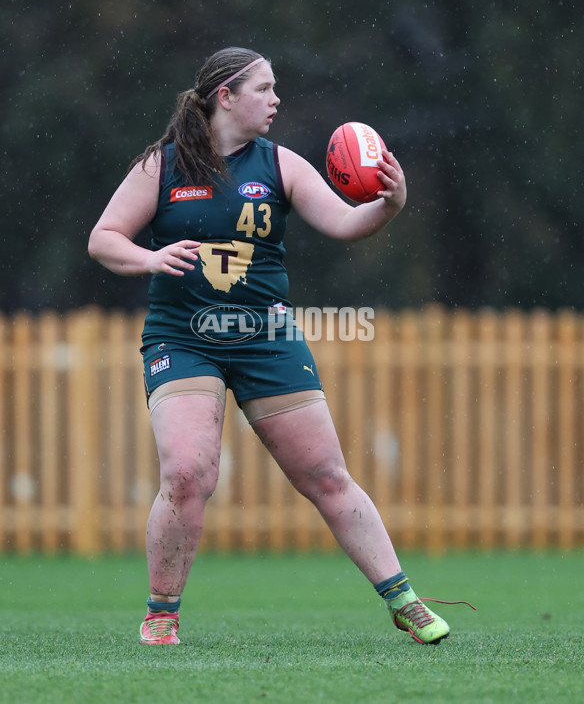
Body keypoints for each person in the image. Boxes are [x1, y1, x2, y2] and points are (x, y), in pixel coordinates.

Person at [88, 46, 453, 646]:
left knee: (325, 475)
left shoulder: (281, 164)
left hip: (267, 337)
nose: (277, 99)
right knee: (186, 473)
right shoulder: (163, 165)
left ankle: (405, 601)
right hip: (184, 338)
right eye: (265, 88)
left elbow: (343, 223)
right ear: (225, 96)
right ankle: (161, 616)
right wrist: (149, 257)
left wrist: (392, 203)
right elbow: (104, 238)